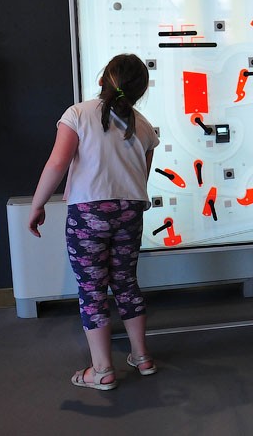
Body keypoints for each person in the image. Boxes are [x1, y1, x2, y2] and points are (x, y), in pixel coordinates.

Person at [29, 53, 160, 390]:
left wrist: (38, 204)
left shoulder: (77, 114)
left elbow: (57, 163)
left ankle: (102, 370)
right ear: (140, 90)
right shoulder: (144, 126)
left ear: (103, 80)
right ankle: (142, 357)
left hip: (89, 212)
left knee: (92, 288)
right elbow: (141, 177)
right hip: (130, 211)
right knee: (126, 283)